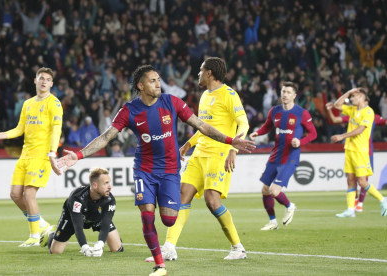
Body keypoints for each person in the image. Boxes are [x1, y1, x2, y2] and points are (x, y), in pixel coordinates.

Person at [57, 65, 255, 276]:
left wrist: (230, 141)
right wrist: (77, 156)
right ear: (141, 86)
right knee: (147, 215)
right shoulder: (129, 110)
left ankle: (169, 239)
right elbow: (106, 137)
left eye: (158, 79)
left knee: (169, 218)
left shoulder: (172, 102)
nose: (158, 83)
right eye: (152, 80)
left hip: (169, 170)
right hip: (144, 170)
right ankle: (160, 266)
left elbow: (202, 126)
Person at [150, 57, 250, 262]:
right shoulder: (205, 95)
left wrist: (233, 149)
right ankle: (169, 248)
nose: (198, 73)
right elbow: (204, 127)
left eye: (200, 70)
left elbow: (244, 123)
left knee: (212, 202)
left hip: (218, 154)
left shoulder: (229, 94)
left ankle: (237, 247)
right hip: (199, 155)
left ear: (210, 73)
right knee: (181, 196)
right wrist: (188, 144)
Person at [0, 67, 63, 247]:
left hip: (41, 156)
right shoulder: (27, 103)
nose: (44, 81)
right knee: (15, 195)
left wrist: (52, 153)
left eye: (48, 79)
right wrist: (2, 135)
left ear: (51, 84)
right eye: (41, 78)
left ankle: (35, 237)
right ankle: (43, 225)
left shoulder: (54, 103)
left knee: (29, 194)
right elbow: (20, 128)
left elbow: (56, 130)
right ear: (35, 81)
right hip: (25, 155)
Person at [250, 82, 317, 230]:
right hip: (275, 155)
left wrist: (300, 141)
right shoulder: (274, 111)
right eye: (283, 92)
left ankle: (290, 205)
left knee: (274, 191)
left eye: (288, 92)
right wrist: (257, 132)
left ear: (294, 95)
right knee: (265, 190)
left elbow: (313, 133)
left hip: (290, 157)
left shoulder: (302, 113)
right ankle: (273, 222)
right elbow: (267, 126)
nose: (285, 94)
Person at [330, 88, 387, 217]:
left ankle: (383, 200)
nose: (351, 99)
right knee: (350, 181)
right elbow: (337, 105)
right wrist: (349, 92)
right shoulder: (353, 110)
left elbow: (360, 129)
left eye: (354, 96)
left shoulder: (368, 112)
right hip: (349, 150)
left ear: (361, 97)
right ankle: (351, 210)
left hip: (360, 151)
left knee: (362, 182)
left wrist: (342, 136)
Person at [40, 167, 123, 256]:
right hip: (72, 219)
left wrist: (100, 244)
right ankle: (51, 234)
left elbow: (106, 223)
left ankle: (115, 239)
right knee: (56, 252)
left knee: (117, 248)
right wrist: (85, 247)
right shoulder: (77, 198)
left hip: (97, 218)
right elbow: (78, 227)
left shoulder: (109, 200)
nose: (110, 187)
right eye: (106, 183)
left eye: (109, 182)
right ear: (95, 185)